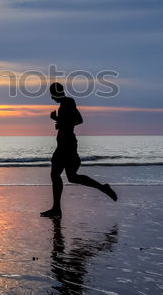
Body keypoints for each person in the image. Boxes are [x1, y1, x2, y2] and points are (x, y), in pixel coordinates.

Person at [40, 82, 118, 217]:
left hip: (67, 144)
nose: (52, 98)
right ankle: (102, 188)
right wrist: (58, 120)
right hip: (65, 144)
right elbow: (70, 122)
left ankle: (57, 208)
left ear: (57, 92)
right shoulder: (64, 105)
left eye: (52, 94)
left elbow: (78, 120)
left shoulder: (68, 102)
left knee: (56, 175)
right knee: (71, 177)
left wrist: (58, 120)